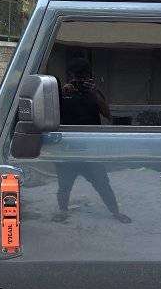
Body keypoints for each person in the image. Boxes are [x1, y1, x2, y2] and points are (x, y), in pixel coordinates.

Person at [54, 54, 131, 224]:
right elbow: (52, 117)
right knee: (64, 186)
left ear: (89, 76)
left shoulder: (94, 93)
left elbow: (108, 115)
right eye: (75, 76)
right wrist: (61, 95)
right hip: (67, 150)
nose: (79, 80)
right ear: (69, 76)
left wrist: (95, 93)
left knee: (103, 184)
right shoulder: (60, 94)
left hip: (90, 151)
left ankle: (116, 213)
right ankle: (62, 211)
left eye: (83, 76)